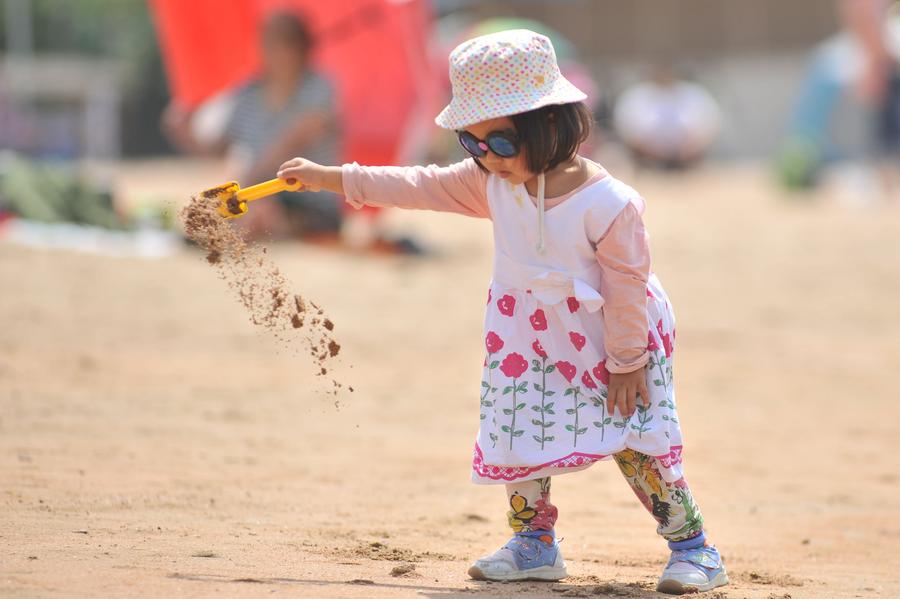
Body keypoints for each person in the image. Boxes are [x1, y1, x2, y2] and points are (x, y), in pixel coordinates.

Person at [276, 30, 728, 594]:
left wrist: (629, 360)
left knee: (636, 439)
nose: (488, 156)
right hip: (526, 342)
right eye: (472, 143)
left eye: (504, 142)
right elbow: (418, 184)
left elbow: (627, 287)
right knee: (518, 434)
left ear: (552, 125)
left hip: (614, 338)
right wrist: (332, 178)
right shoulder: (491, 183)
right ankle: (533, 544)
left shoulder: (609, 204)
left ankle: (693, 548)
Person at [163, 12, 342, 241]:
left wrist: (245, 184)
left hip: (308, 200)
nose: (273, 50)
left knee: (261, 214)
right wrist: (185, 131)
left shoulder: (318, 88)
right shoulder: (247, 92)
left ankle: (236, 230)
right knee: (230, 213)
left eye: (283, 41)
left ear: (301, 47)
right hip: (259, 194)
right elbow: (217, 148)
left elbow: (289, 144)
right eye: (268, 41)